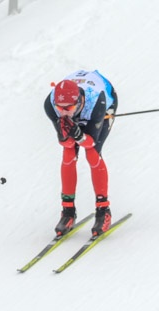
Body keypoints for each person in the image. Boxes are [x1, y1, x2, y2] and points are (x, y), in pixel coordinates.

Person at [43, 69, 118, 238]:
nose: (63, 113)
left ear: (78, 101)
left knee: (92, 154)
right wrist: (69, 134)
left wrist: (79, 134)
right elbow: (65, 142)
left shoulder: (95, 101)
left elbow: (90, 142)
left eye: (68, 108)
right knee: (68, 154)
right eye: (59, 108)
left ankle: (103, 210)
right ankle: (68, 211)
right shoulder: (50, 105)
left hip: (102, 102)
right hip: (81, 103)